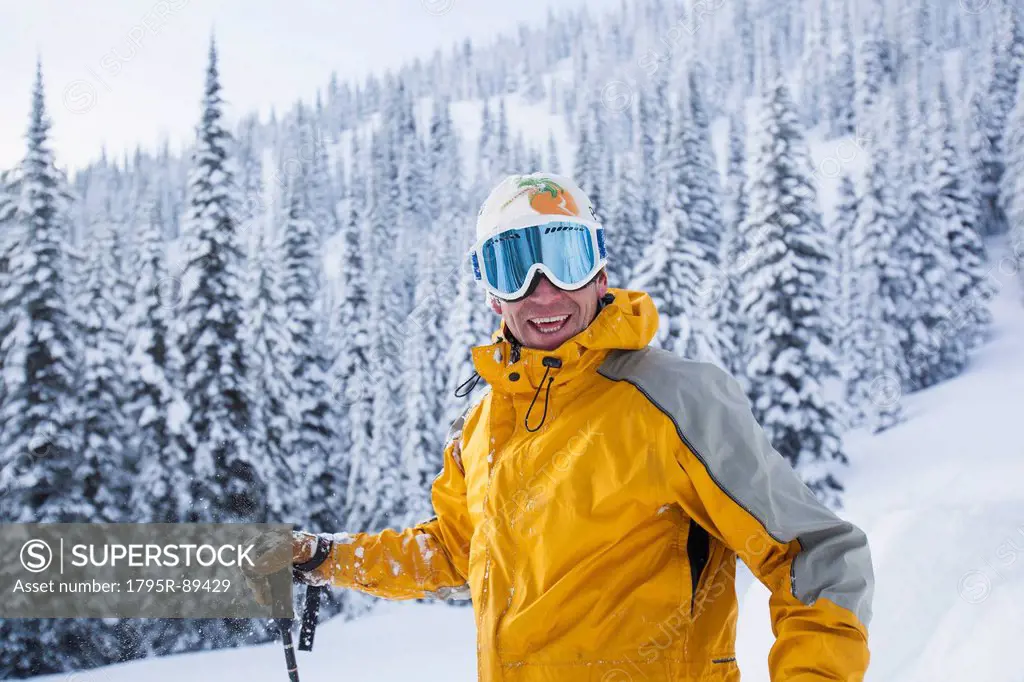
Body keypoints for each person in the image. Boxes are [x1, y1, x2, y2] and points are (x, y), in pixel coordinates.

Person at [245, 172, 874, 681]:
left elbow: (813, 552)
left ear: (600, 272)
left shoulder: (672, 399)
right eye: (513, 267)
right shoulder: (485, 421)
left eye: (565, 260)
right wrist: (328, 558)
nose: (543, 293)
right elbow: (457, 549)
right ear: (490, 292)